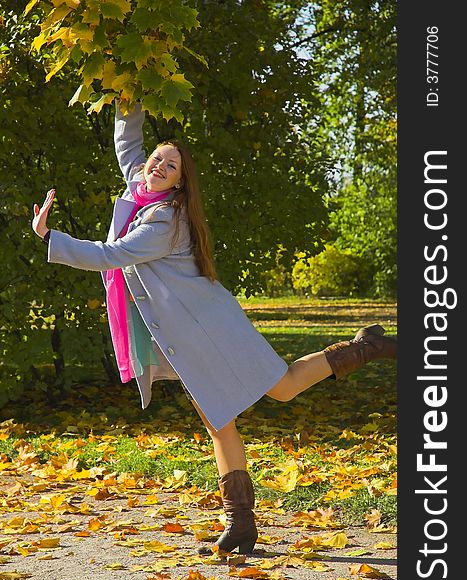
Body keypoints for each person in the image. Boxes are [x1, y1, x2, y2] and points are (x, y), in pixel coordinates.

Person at [32, 100, 396, 556]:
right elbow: (128, 145)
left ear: (180, 181)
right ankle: (240, 524)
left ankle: (365, 347)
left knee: (281, 388)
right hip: (188, 335)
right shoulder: (140, 191)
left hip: (212, 326)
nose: (159, 166)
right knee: (218, 421)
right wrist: (130, 95)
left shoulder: (163, 218)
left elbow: (112, 255)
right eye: (156, 159)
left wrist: (50, 238)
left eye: (171, 164)